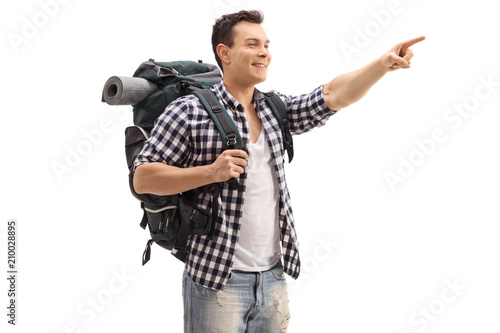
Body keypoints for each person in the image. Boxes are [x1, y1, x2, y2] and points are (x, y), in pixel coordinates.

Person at [133, 9, 424, 333]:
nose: (264, 53)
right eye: (252, 44)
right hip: (215, 278)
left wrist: (381, 65)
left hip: (272, 277)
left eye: (267, 45)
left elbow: (332, 95)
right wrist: (210, 172)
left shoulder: (273, 109)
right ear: (224, 53)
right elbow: (143, 177)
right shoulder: (189, 111)